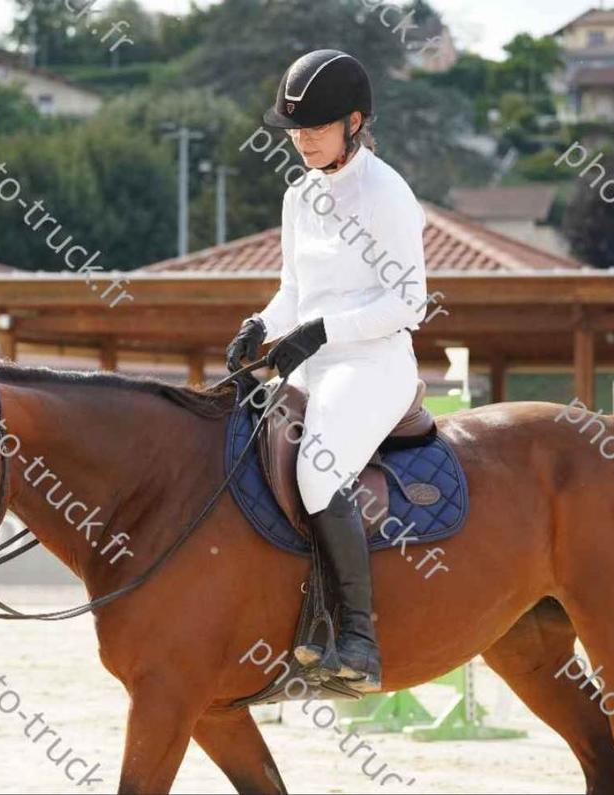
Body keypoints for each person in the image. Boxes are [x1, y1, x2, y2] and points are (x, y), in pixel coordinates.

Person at [225, 49, 428, 692]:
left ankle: (359, 638)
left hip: (373, 362)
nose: (303, 139)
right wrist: (260, 324)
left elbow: (409, 303)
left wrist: (319, 332)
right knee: (236, 445)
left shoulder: (387, 193)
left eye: (315, 127)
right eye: (295, 129)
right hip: (312, 360)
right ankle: (295, 614)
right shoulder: (299, 195)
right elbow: (294, 290)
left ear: (354, 123)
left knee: (316, 470)